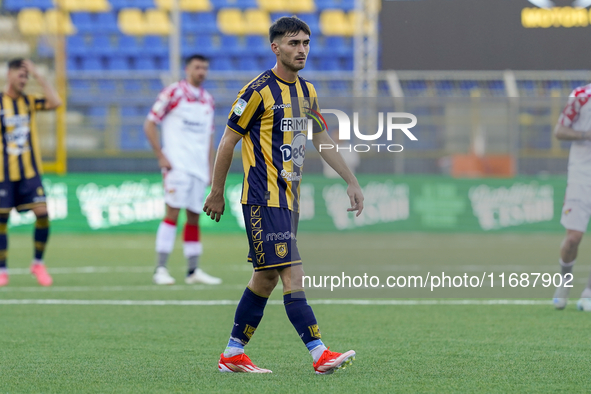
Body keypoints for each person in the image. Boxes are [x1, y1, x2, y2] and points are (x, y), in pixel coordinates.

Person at [203, 17, 365, 374]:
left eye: (306, 43)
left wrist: (350, 180)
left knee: (266, 278)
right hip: (263, 198)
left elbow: (322, 140)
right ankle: (319, 352)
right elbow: (228, 140)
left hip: (289, 201)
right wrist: (216, 191)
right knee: (293, 274)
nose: (302, 49)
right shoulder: (256, 91)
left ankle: (232, 353)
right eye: (294, 43)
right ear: (275, 47)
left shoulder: (308, 92)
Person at [144, 54, 221, 286]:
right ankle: (160, 269)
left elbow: (209, 137)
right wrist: (161, 155)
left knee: (194, 217)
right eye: (197, 67)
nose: (201, 72)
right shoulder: (173, 93)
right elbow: (149, 123)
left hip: (198, 169)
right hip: (177, 165)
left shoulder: (208, 100)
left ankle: (193, 270)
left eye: (205, 68)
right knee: (172, 214)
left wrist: (210, 169)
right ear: (187, 69)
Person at [0, 58, 62, 287]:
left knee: (43, 213)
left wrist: (39, 76)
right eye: (21, 75)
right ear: (10, 75)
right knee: (1, 220)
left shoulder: (29, 101)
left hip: (29, 173)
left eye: (26, 77)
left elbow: (56, 102)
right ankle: (2, 269)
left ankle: (37, 263)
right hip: (3, 174)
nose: (24, 80)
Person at [553, 84, 591, 311]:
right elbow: (559, 131)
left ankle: (588, 292)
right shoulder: (581, 96)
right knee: (573, 238)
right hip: (581, 175)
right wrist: (586, 134)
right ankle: (564, 281)